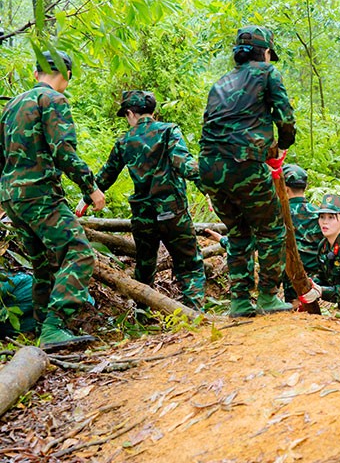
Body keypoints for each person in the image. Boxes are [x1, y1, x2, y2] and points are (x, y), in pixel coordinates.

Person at [0, 50, 105, 349]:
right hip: (39, 194)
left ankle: (44, 333)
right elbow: (63, 150)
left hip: (12, 197)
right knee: (79, 252)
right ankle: (54, 324)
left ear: (36, 74)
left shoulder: (11, 107)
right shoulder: (53, 100)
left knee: (43, 264)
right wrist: (91, 188)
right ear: (67, 75)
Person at [199, 26, 296, 317]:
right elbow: (285, 116)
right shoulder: (267, 73)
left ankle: (239, 301)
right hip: (243, 164)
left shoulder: (220, 82)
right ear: (265, 52)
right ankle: (267, 296)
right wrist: (283, 145)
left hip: (209, 167)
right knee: (270, 228)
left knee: (239, 231)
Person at [91, 91, 205, 308]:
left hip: (143, 215)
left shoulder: (124, 140)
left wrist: (87, 198)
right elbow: (184, 164)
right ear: (154, 112)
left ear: (129, 113)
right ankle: (195, 313)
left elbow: (106, 175)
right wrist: (208, 188)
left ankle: (143, 314)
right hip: (173, 211)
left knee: (144, 266)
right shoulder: (169, 131)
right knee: (189, 263)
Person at [280, 164, 324, 313]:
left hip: (290, 281)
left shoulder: (279, 215)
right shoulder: (319, 215)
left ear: (284, 189)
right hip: (315, 282)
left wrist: (223, 240)